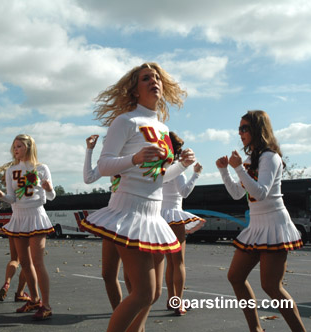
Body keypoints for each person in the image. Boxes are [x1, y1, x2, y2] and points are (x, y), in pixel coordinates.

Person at [79, 62, 195, 332]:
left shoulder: (164, 130)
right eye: (146, 78)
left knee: (151, 294)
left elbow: (159, 178)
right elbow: (105, 165)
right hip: (128, 211)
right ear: (134, 90)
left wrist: (182, 166)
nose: (154, 81)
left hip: (152, 216)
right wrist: (134, 158)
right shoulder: (125, 121)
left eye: (157, 78)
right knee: (144, 293)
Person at [216, 110, 306, 332]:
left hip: (274, 224)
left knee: (271, 286)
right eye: (239, 129)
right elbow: (239, 193)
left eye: (244, 128)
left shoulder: (270, 157)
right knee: (235, 277)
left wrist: (238, 168)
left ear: (258, 129)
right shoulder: (250, 159)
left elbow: (262, 192)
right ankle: (255, 328)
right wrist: (224, 172)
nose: (240, 133)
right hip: (256, 226)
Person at [0, 134, 55, 320]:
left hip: (36, 216)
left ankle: (47, 304)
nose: (15, 149)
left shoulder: (42, 168)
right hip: (18, 217)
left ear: (28, 147)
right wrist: (1, 195)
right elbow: (12, 198)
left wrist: (49, 188)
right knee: (25, 263)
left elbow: (51, 197)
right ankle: (34, 299)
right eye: (14, 147)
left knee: (37, 262)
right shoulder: (11, 171)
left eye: (19, 146)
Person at [83, 134, 131, 310]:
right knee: (108, 274)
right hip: (113, 217)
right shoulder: (110, 162)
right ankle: (119, 313)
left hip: (132, 218)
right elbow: (88, 178)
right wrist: (89, 150)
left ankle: (134, 321)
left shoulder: (136, 156)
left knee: (131, 276)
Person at [161, 132, 206, 316]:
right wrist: (195, 174)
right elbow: (185, 192)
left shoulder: (161, 166)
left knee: (169, 263)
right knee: (178, 262)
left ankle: (171, 299)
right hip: (174, 215)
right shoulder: (175, 168)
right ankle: (178, 303)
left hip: (161, 215)